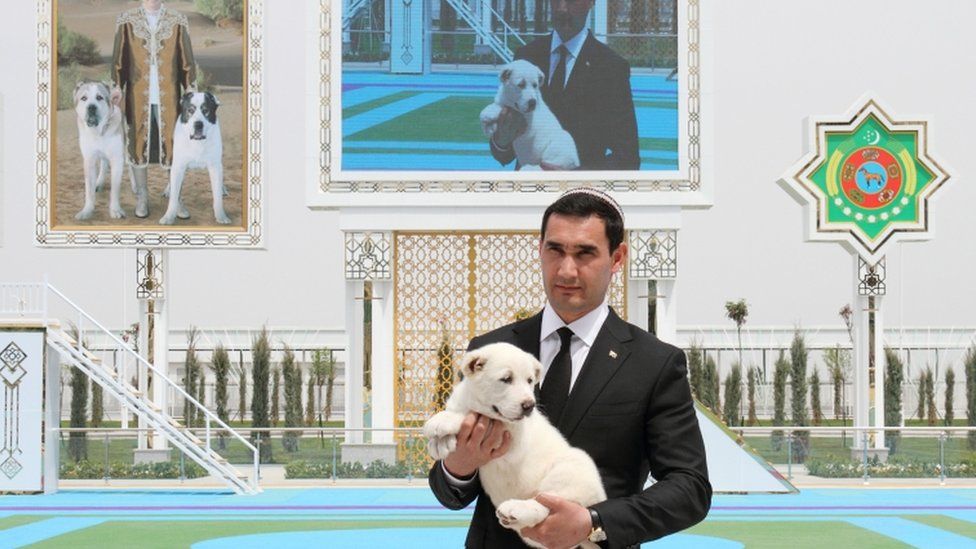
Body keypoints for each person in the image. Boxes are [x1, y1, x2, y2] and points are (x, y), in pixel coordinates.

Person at [428, 188, 711, 548]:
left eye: (585, 253)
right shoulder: (491, 351)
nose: (566, 270)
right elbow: (448, 491)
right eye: (555, 250)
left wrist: (594, 521)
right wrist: (459, 466)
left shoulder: (654, 363)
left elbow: (690, 488)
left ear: (618, 257)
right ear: (540, 249)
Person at [489, 0, 640, 171]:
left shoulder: (611, 68)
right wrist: (501, 140)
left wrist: (572, 179)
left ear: (591, 2)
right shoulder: (526, 56)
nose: (562, 8)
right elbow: (503, 152)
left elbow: (628, 158)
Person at [111, 0, 196, 218]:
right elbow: (119, 60)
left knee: (173, 144)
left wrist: (190, 89)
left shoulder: (177, 20)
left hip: (170, 96)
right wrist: (116, 87)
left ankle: (176, 198)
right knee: (138, 144)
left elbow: (187, 60)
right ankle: (142, 196)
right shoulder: (127, 20)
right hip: (138, 96)